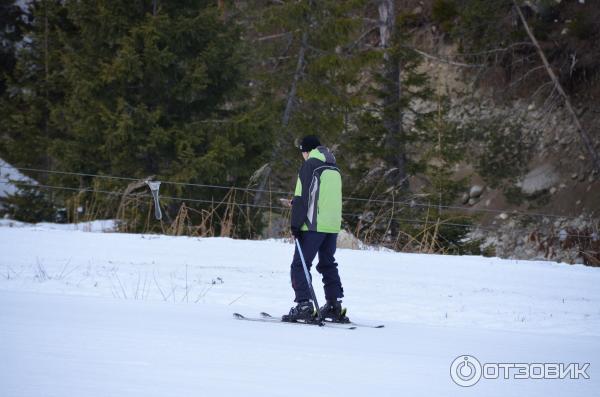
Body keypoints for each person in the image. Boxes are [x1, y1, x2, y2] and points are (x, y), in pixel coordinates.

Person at [282, 135, 348, 323]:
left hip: (312, 226)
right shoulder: (334, 167)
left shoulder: (310, 165)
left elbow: (303, 197)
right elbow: (320, 196)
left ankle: (304, 305)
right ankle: (334, 305)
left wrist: (295, 224)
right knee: (328, 263)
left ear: (306, 151)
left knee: (300, 265)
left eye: (302, 152)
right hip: (332, 225)